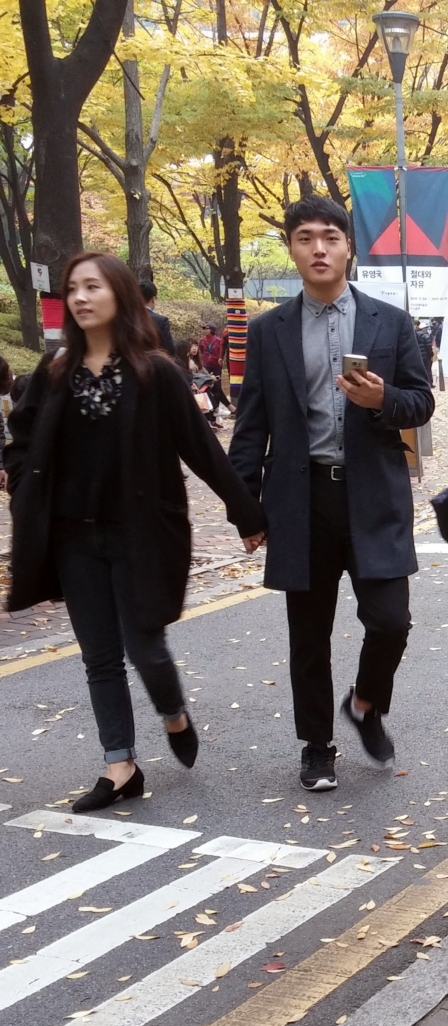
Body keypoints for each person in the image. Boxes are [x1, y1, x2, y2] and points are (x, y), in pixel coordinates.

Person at [4, 252, 265, 811]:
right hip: (73, 538)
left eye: (92, 286)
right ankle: (119, 765)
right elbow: (19, 438)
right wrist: (23, 484)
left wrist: (247, 513)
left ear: (119, 294)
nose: (80, 297)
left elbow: (202, 450)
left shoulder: (157, 373)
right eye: (73, 288)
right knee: (99, 655)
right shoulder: (55, 373)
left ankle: (173, 714)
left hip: (139, 535)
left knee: (145, 647)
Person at [229, 196, 435, 792]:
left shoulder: (389, 322)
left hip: (374, 498)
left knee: (391, 621)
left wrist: (382, 401)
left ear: (348, 246)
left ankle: (366, 703)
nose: (318, 248)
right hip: (302, 499)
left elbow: (419, 401)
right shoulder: (268, 331)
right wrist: (246, 509)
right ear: (291, 249)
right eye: (304, 238)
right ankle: (317, 746)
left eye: (329, 237)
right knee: (309, 633)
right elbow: (252, 425)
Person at [139, 279, 176, 359]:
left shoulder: (125, 318)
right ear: (153, 299)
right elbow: (169, 350)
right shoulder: (161, 321)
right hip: (153, 366)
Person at [414, 317, 434, 387]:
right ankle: (430, 383)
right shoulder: (425, 336)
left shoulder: (414, 335)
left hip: (418, 355)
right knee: (428, 369)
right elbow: (429, 346)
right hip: (425, 355)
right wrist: (431, 355)